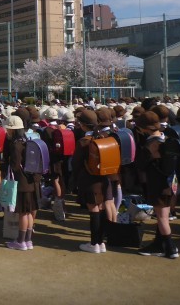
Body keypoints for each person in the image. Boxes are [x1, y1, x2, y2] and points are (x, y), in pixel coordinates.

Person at [135, 111, 179, 259]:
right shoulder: (166, 139)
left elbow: (140, 165)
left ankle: (170, 248)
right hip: (171, 183)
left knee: (162, 217)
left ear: (145, 128)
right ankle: (159, 244)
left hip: (158, 184)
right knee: (164, 215)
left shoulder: (151, 144)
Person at [72, 109, 110, 254]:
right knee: (101, 208)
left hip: (89, 180)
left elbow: (76, 163)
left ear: (83, 125)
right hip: (103, 178)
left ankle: (94, 243)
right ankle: (100, 242)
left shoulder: (84, 142)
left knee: (93, 210)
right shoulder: (103, 137)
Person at [5, 115, 41, 251]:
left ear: (12, 130)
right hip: (32, 181)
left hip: (22, 182)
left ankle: (20, 241)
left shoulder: (16, 145)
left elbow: (14, 166)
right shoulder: (28, 140)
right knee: (29, 212)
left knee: (23, 213)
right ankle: (28, 240)